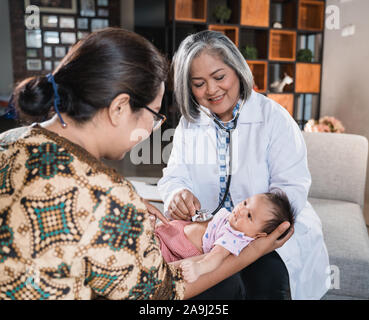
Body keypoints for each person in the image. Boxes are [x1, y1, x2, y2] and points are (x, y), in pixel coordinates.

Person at [0, 28, 292, 300]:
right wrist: (252, 250)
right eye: (154, 115)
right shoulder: (109, 198)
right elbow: (162, 293)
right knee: (229, 286)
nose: (153, 128)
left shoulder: (8, 141)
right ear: (119, 108)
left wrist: (132, 203)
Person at [158, 30, 330, 300]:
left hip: (264, 232)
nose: (212, 90)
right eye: (198, 83)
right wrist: (176, 193)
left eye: (219, 77)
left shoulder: (273, 118)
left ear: (237, 70)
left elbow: (290, 189)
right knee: (209, 289)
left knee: (265, 280)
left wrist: (247, 233)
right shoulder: (189, 124)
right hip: (209, 233)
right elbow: (174, 176)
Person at [155, 192, 294, 283]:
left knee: (148, 247)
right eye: (245, 203)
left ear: (259, 235)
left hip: (173, 248)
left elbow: (217, 257)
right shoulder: (234, 222)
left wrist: (199, 268)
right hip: (173, 233)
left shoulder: (234, 238)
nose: (241, 210)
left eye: (250, 216)